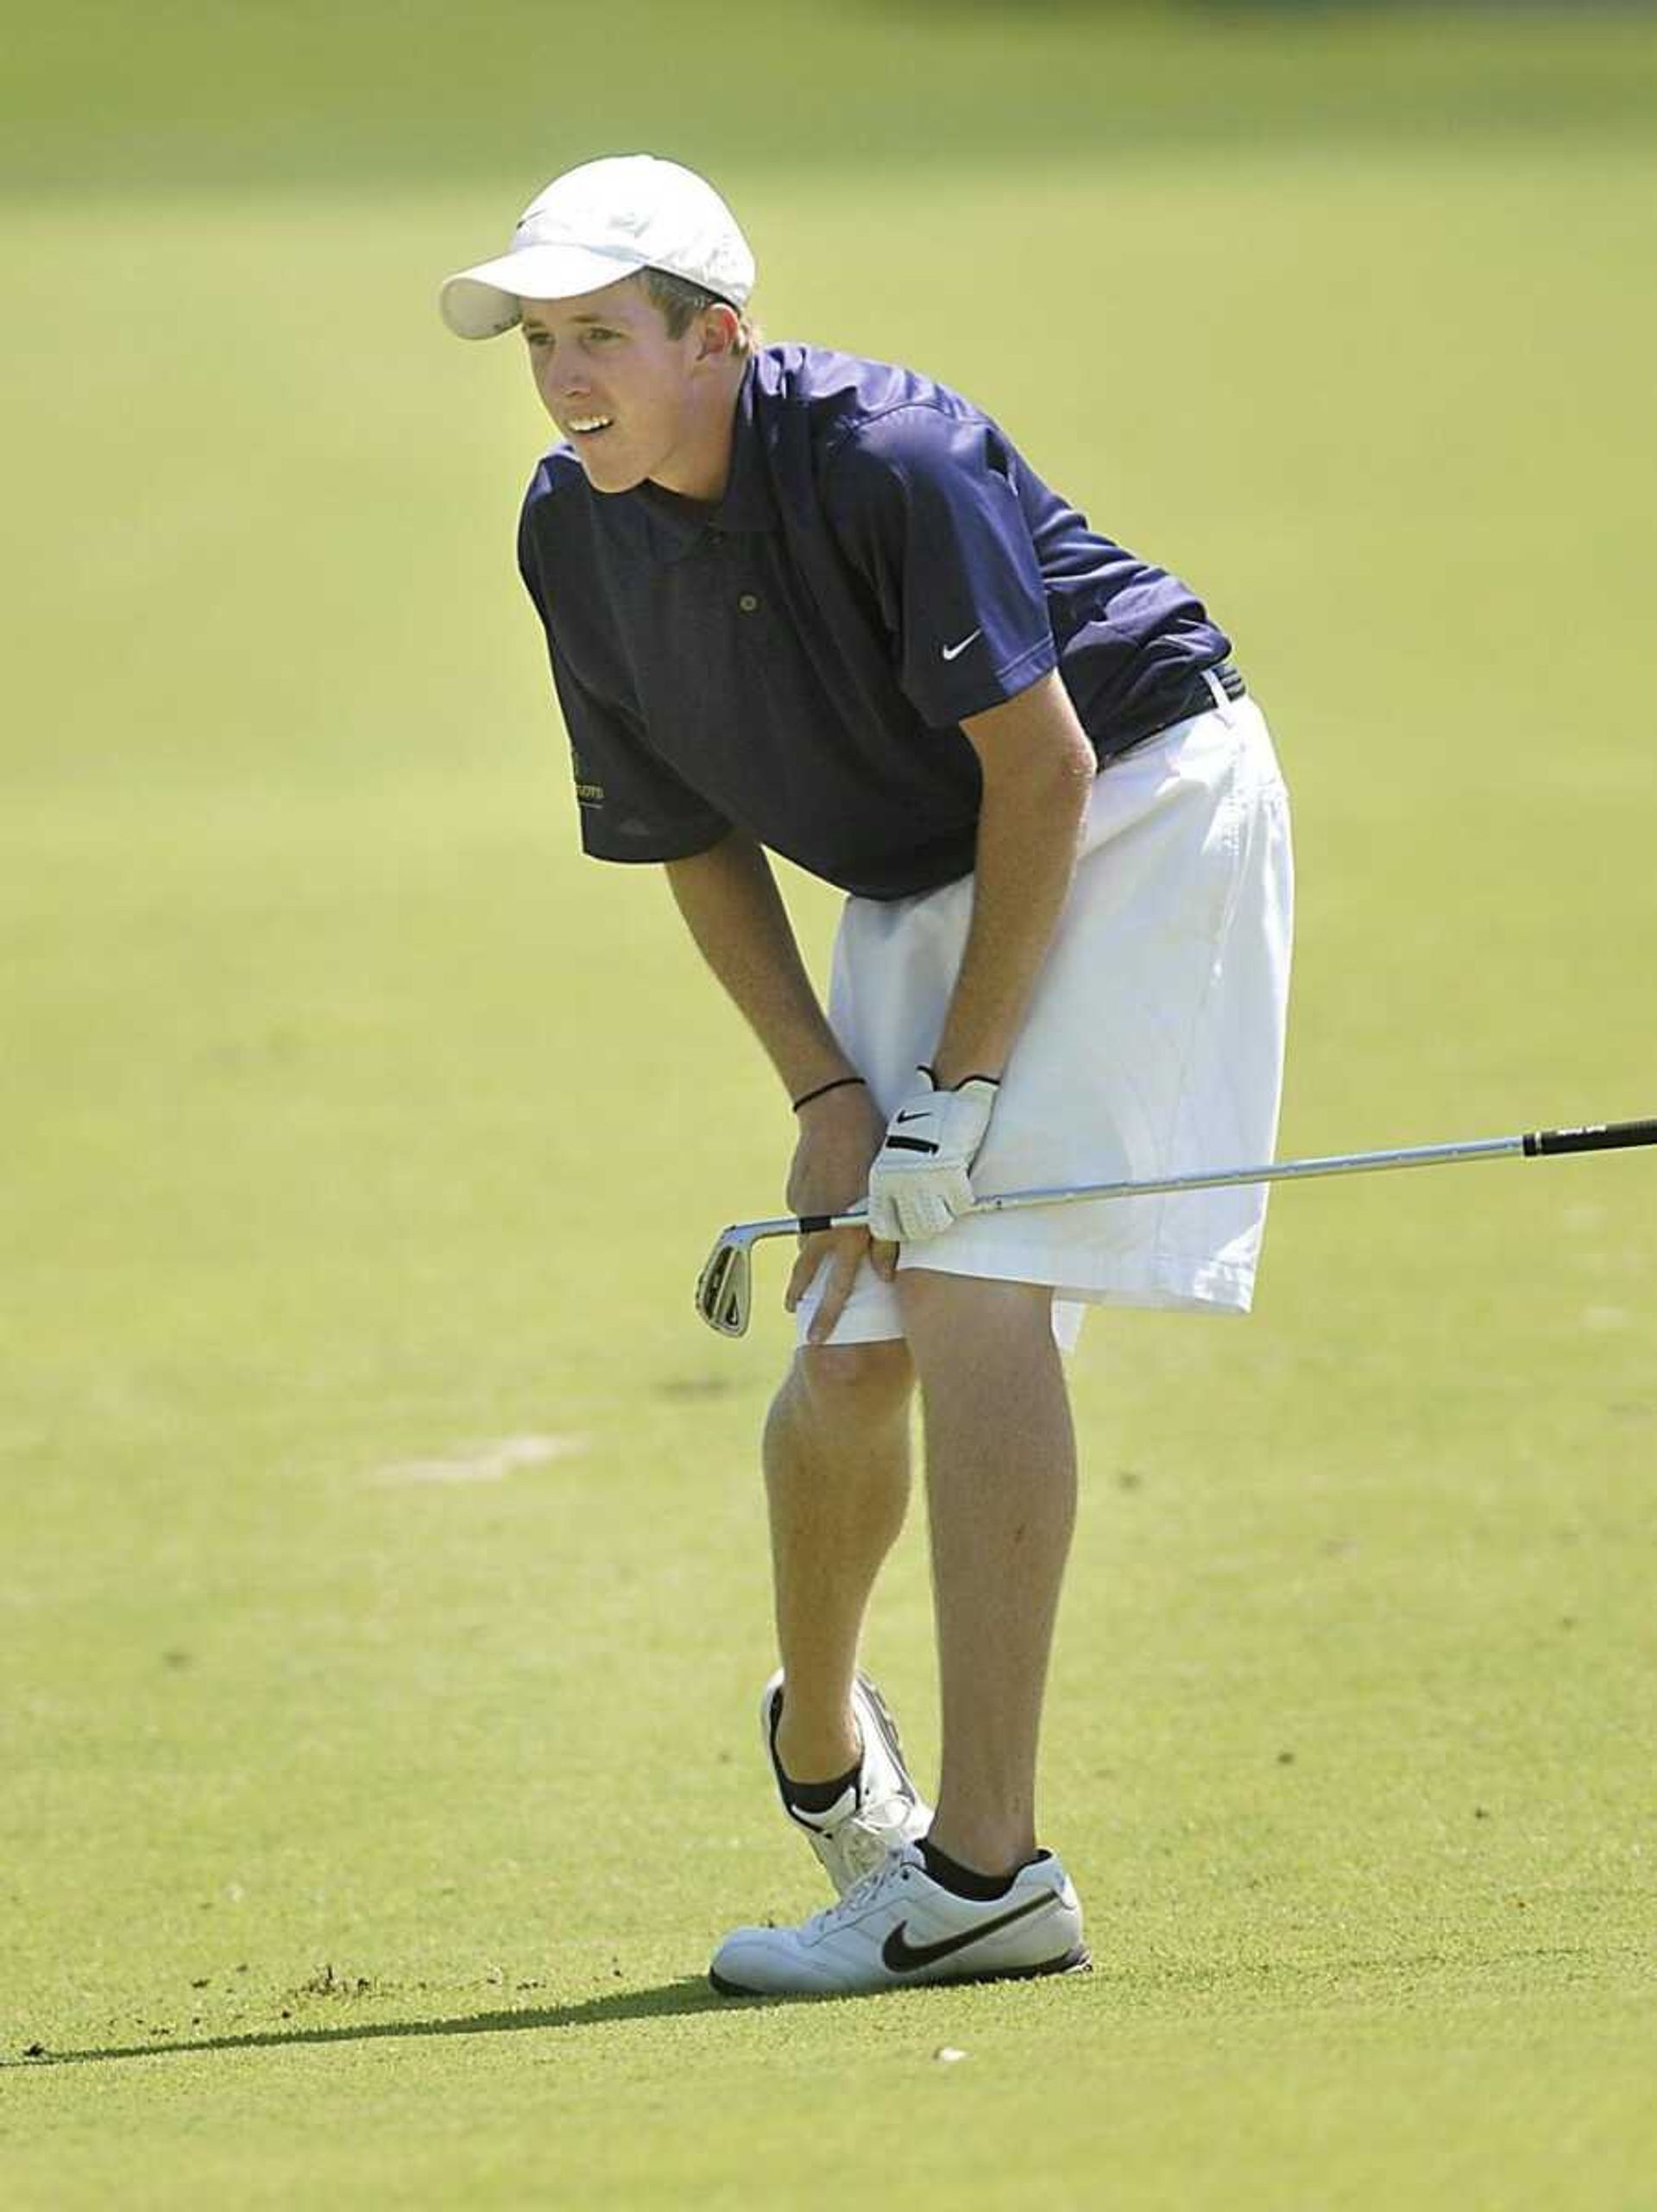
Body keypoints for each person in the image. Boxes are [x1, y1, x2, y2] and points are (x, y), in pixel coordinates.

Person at [439, 154, 1293, 1998]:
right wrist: (832, 1091)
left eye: (603, 334)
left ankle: (988, 1873)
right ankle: (828, 1761)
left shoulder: (896, 459)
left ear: (716, 338)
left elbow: (1049, 767)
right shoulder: (569, 525)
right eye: (541, 338)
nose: (564, 372)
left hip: (1132, 802)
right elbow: (679, 827)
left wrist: (962, 1095)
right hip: (927, 856)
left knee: (972, 1281)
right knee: (847, 1340)